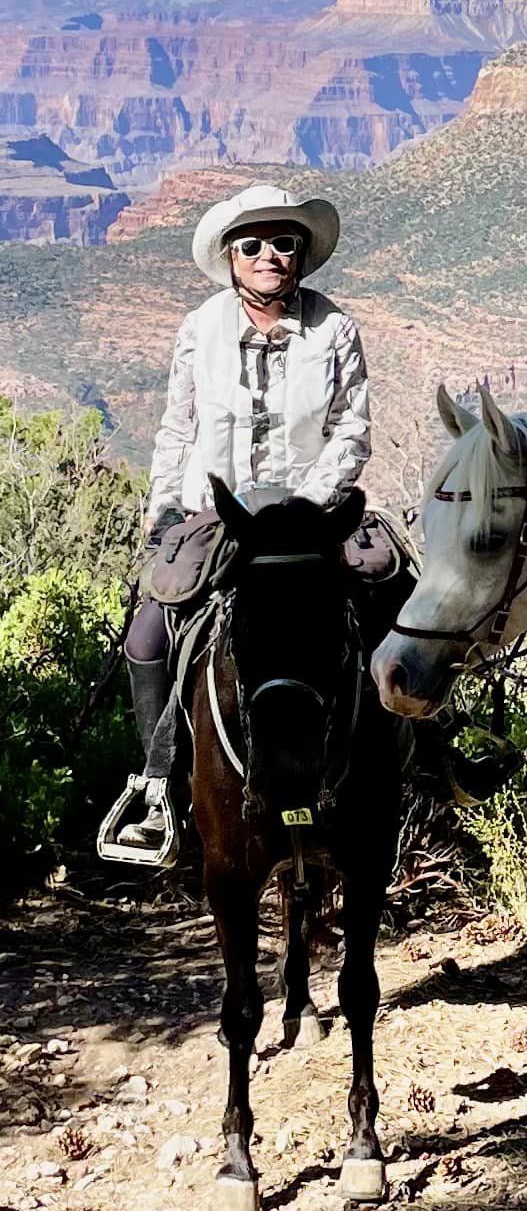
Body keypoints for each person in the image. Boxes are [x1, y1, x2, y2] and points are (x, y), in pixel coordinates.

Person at [106, 183, 371, 861]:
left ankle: (427, 755)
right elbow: (177, 427)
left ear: (303, 254)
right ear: (229, 256)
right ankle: (161, 782)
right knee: (146, 636)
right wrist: (163, 510)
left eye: (284, 242)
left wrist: (305, 511)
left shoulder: (335, 329)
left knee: (390, 594)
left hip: (312, 515)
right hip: (216, 516)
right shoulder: (199, 329)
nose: (268, 255)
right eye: (251, 243)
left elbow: (351, 434)